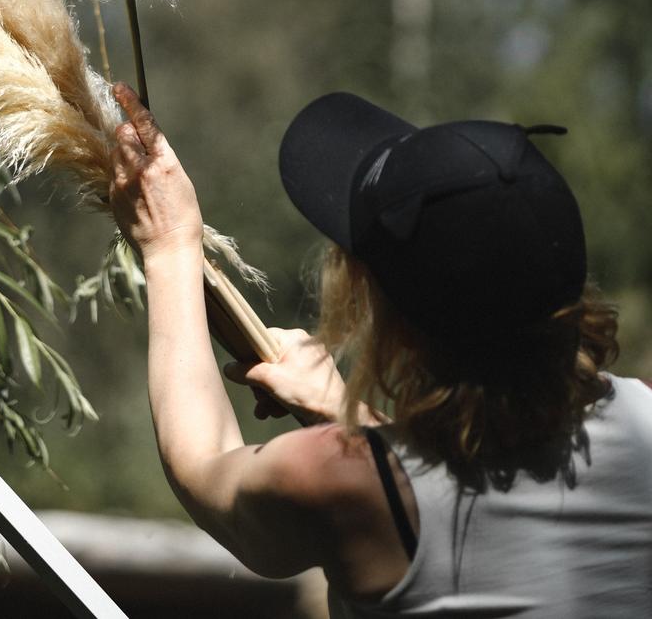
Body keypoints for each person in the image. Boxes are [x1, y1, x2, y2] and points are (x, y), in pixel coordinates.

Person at [109, 82, 652, 617]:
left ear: (403, 329)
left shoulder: (341, 484)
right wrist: (351, 417)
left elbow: (202, 468)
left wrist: (170, 244)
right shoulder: (643, 429)